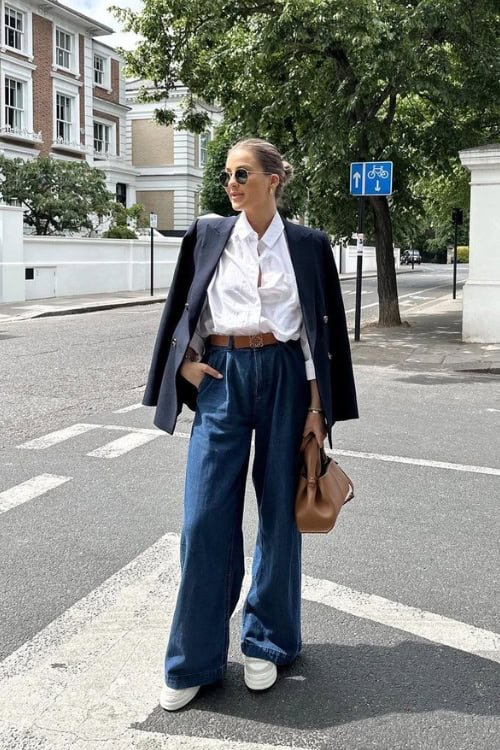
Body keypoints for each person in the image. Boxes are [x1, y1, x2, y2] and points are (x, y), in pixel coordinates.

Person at [142, 137, 358, 711]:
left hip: (287, 373)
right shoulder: (209, 234)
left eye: (242, 173)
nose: (231, 183)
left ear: (273, 179)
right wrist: (183, 363)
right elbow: (183, 306)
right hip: (223, 372)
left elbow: (316, 331)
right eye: (227, 175)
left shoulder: (308, 246)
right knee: (204, 516)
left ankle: (269, 640)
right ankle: (193, 658)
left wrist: (318, 407)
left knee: (282, 515)